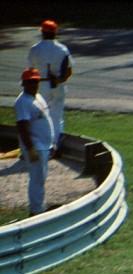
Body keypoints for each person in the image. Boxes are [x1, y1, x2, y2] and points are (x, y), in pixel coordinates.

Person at [15, 67, 55, 216]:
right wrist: (30, 148)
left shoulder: (37, 97)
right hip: (35, 146)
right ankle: (36, 210)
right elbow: (22, 127)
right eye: (30, 82)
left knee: (41, 178)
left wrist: (51, 144)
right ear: (24, 83)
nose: (34, 84)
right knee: (37, 179)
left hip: (44, 146)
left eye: (36, 81)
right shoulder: (23, 102)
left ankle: (39, 206)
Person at [27, 19, 73, 148]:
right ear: (55, 33)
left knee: (40, 115)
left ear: (42, 32)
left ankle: (40, 144)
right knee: (57, 115)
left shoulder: (35, 49)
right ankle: (56, 145)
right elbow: (69, 71)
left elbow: (30, 71)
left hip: (41, 85)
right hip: (59, 85)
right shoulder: (63, 48)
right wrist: (59, 80)